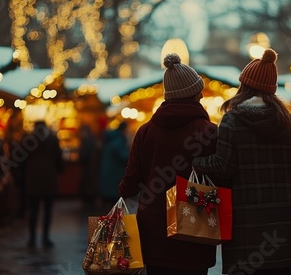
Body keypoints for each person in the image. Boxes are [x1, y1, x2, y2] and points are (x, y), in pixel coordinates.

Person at [192, 49, 291, 275]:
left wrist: (197, 163)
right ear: (272, 89)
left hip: (246, 232)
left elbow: (223, 167)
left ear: (244, 86)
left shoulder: (233, 120)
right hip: (286, 231)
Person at [118, 53, 218, 275]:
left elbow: (130, 183)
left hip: (154, 231)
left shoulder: (146, 131)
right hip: (196, 228)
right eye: (198, 90)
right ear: (193, 94)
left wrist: (124, 189)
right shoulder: (208, 132)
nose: (202, 94)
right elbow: (220, 177)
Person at [25, 120, 63, 248]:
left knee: (33, 210)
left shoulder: (29, 140)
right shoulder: (52, 140)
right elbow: (59, 159)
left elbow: (21, 161)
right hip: (49, 180)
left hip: (32, 180)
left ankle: (32, 238)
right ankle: (46, 238)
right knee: (47, 211)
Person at [98, 121, 129, 214]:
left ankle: (102, 227)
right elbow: (124, 157)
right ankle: (114, 228)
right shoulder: (119, 142)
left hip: (106, 176)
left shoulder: (110, 140)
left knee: (106, 207)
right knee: (116, 208)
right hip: (115, 177)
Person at [78, 124, 100, 214]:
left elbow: (83, 156)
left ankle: (88, 207)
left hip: (88, 169)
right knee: (91, 188)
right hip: (93, 169)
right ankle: (91, 206)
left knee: (87, 188)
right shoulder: (93, 140)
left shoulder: (86, 141)